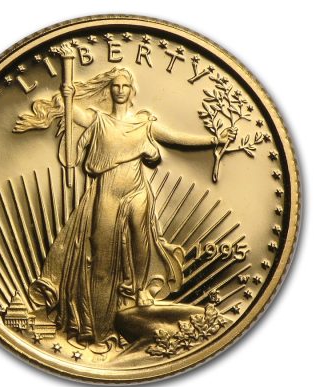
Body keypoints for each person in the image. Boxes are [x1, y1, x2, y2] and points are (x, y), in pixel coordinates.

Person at [13, 67, 236, 353]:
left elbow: (175, 137)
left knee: (141, 243)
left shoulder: (143, 124)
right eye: (115, 85)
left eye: (124, 86)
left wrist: (214, 140)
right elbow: (74, 113)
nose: (119, 90)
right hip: (107, 191)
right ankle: (97, 323)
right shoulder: (99, 120)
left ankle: (141, 291)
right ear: (110, 90)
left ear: (132, 92)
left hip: (137, 190)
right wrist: (66, 96)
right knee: (101, 254)